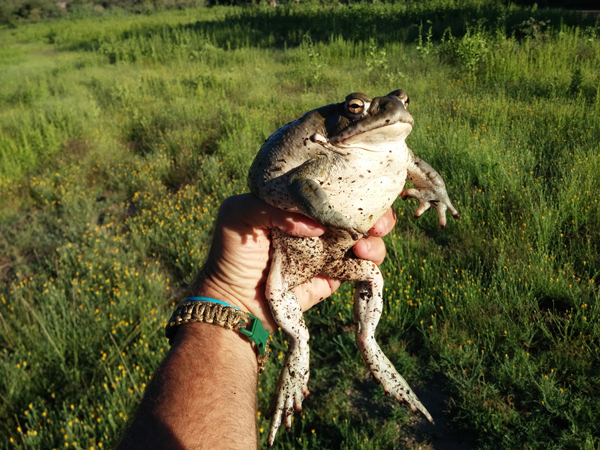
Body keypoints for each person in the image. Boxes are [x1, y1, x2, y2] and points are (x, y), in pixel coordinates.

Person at [117, 193, 397, 450]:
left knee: (371, 270)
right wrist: (232, 296)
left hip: (329, 257)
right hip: (285, 267)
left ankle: (367, 341)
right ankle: (307, 345)